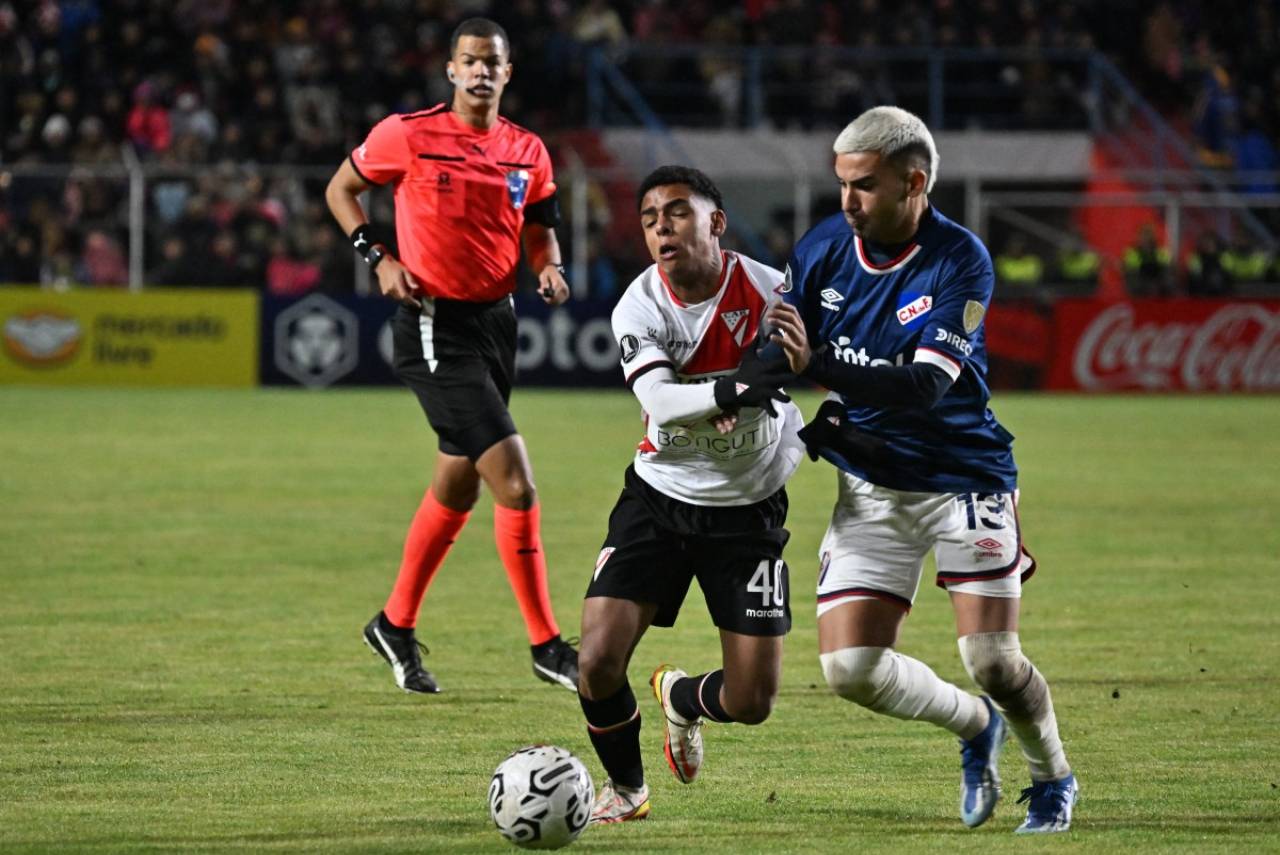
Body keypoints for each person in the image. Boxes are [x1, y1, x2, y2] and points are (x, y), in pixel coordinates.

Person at [766, 106, 1078, 834]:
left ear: (914, 182)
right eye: (841, 183)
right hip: (872, 485)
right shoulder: (822, 249)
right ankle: (973, 726)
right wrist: (724, 394)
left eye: (864, 186)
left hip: (964, 474)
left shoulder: (960, 260)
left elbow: (922, 386)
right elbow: (774, 346)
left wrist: (817, 365)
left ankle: (1053, 776)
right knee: (851, 671)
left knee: (993, 657)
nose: (845, 202)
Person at [323, 17, 578, 696]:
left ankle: (394, 623)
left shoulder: (528, 149)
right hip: (433, 323)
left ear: (507, 72)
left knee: (459, 482)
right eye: (469, 60)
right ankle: (547, 644)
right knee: (515, 481)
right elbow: (340, 189)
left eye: (492, 62)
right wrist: (376, 257)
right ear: (451, 69)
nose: (481, 72)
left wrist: (549, 269)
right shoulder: (407, 134)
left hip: (499, 322)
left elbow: (541, 231)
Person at [578, 165, 804, 824]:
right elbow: (658, 400)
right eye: (649, 219)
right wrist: (730, 390)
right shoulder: (639, 304)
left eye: (677, 211)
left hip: (749, 510)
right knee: (595, 660)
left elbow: (812, 369)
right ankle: (626, 790)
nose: (661, 228)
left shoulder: (772, 291)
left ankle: (682, 698)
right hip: (660, 497)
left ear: (716, 221)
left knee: (753, 698)